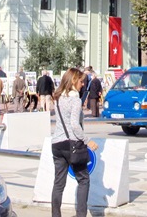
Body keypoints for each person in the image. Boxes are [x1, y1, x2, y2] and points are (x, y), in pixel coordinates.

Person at [51, 68, 99, 217]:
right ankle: (81, 214)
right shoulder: (75, 99)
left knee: (59, 183)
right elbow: (74, 125)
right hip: (72, 144)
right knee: (83, 179)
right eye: (81, 81)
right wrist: (88, 140)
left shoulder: (58, 97)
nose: (83, 84)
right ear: (73, 81)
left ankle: (55, 214)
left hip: (57, 143)